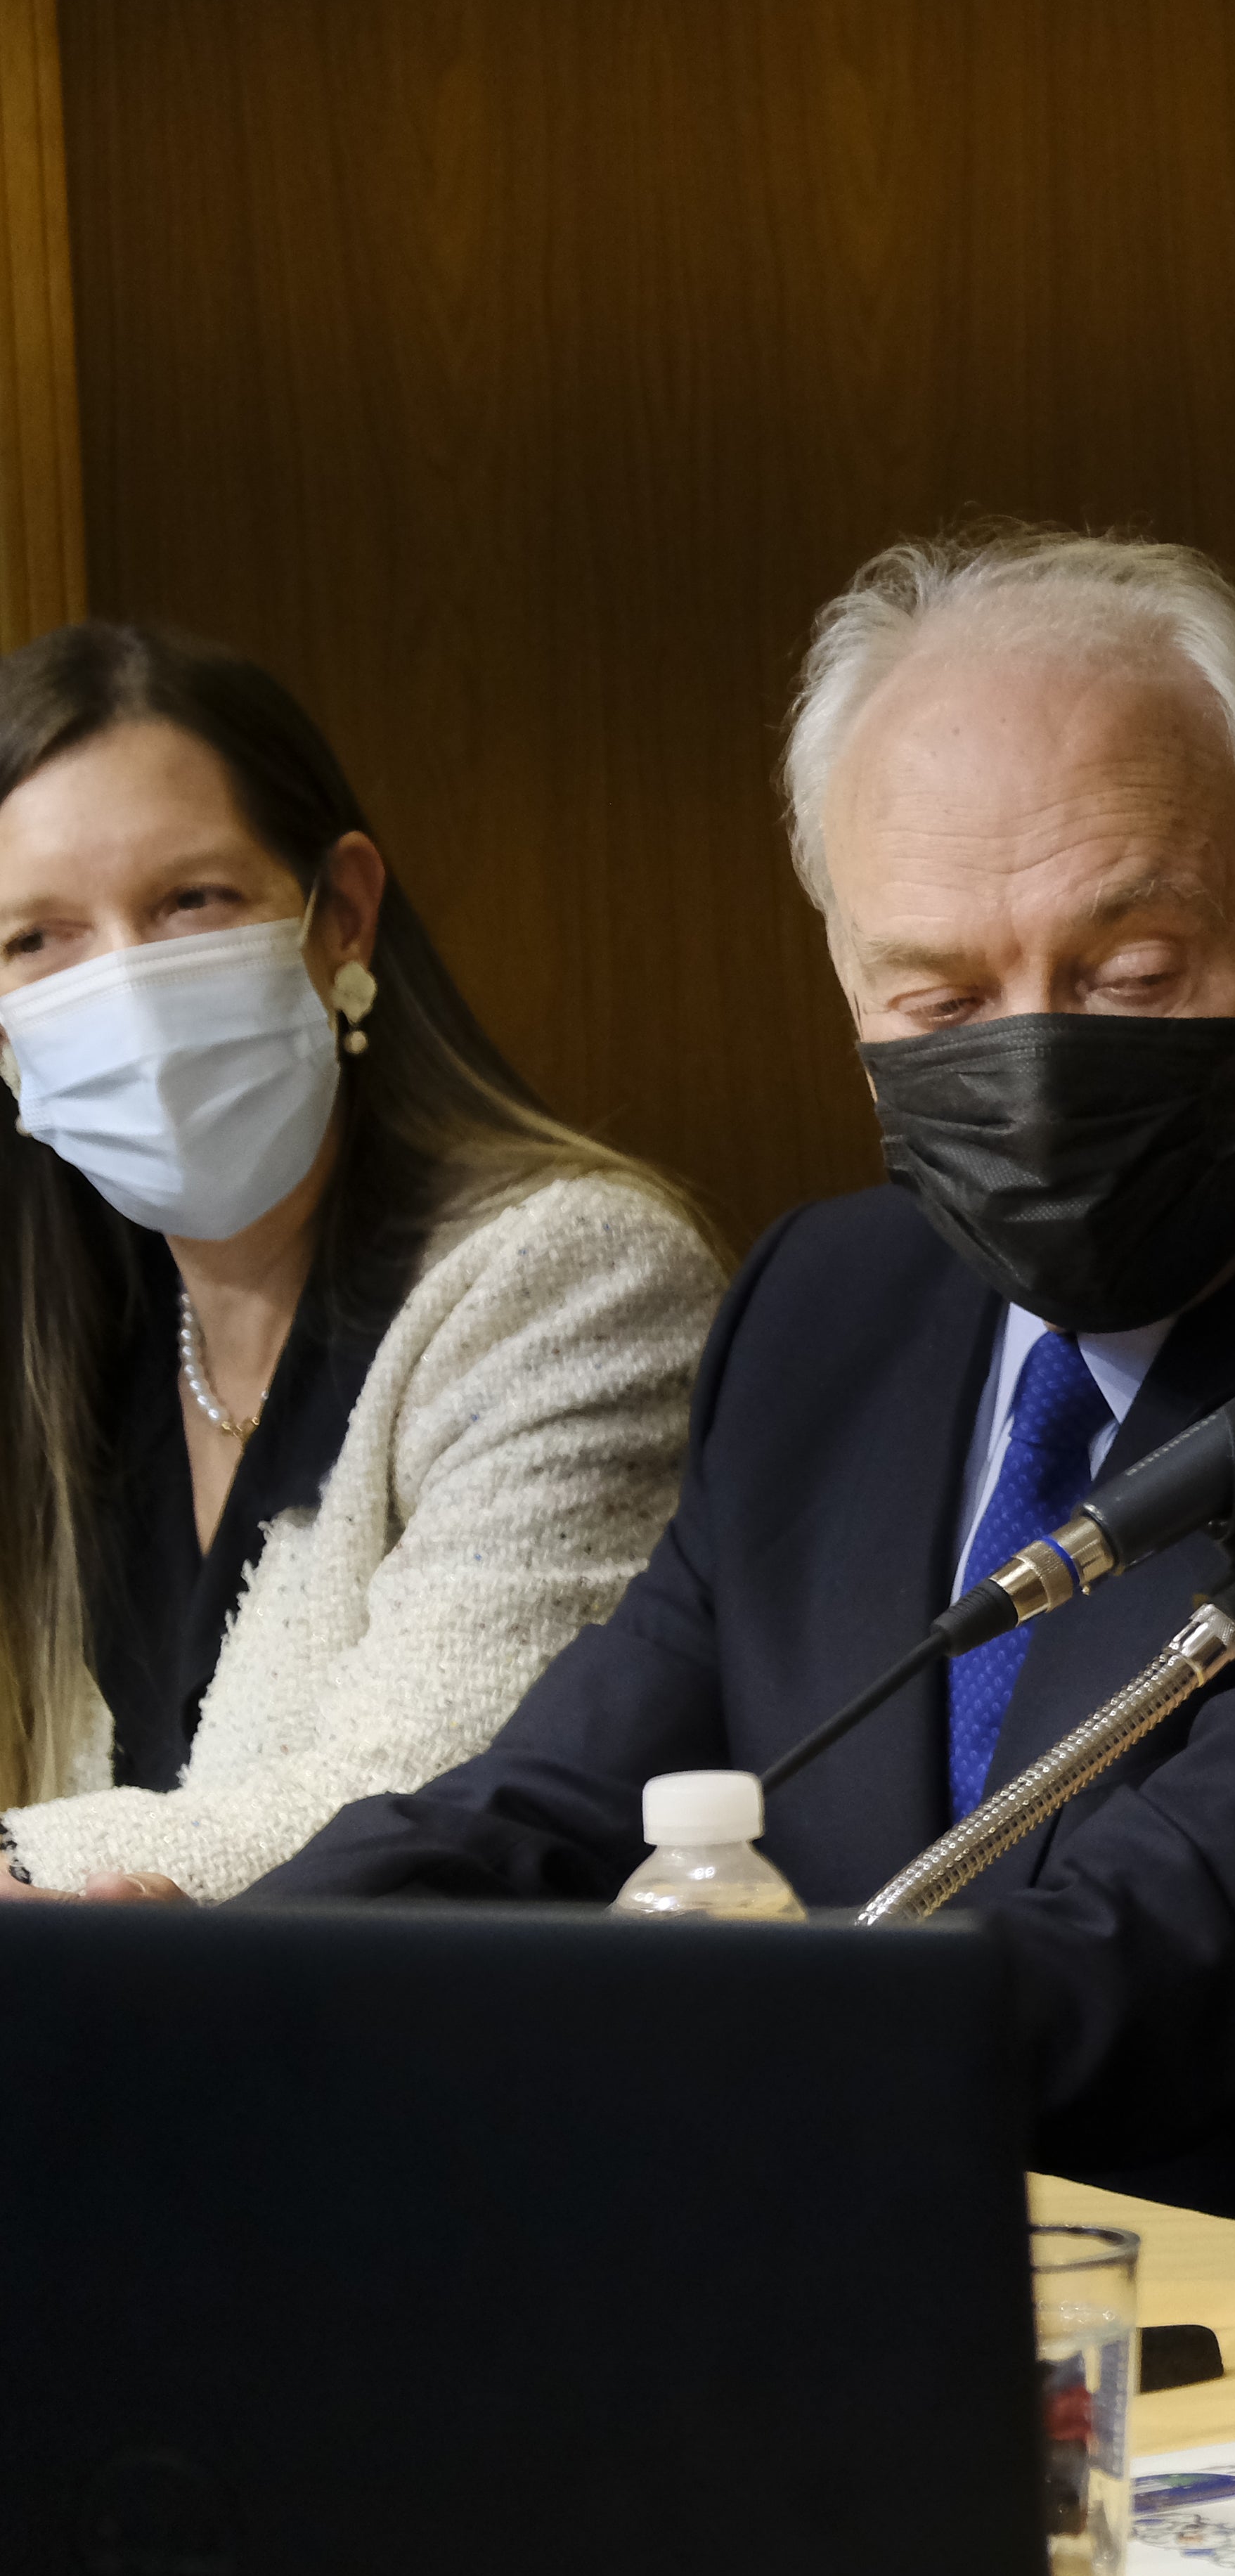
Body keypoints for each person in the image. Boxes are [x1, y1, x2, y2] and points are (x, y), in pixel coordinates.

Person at [250, 529, 1235, 2247]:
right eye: (940, 995)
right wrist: (222, 1984)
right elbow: (557, 1802)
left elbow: (1208, 1928)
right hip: (779, 2296)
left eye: (1134, 974)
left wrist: (674, 2060)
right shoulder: (824, 1308)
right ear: (846, 990)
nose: (1037, 1053)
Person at [0, 624, 721, 1904]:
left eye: (189, 902)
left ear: (341, 913)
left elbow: (426, 1797)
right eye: (36, 941)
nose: (127, 986)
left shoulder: (575, 1278)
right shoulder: (71, 1326)